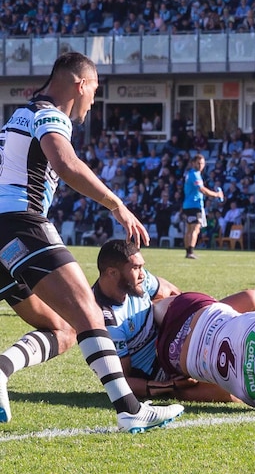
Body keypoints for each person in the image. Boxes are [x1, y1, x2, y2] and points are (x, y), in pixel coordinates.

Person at [0, 52, 183, 431]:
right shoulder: (50, 114)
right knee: (88, 312)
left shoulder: (19, 116)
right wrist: (116, 204)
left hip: (5, 233)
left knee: (63, 330)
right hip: (21, 222)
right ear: (80, 84)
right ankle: (130, 409)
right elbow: (66, 163)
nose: (94, 101)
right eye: (95, 90)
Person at [88, 239, 255, 400]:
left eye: (142, 267)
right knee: (233, 394)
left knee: (253, 298)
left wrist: (202, 317)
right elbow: (119, 379)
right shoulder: (104, 320)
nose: (142, 274)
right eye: (136, 268)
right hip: (166, 368)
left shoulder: (138, 281)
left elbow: (170, 291)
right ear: (112, 273)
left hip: (177, 327)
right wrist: (162, 387)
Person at [182, 154, 223, 259]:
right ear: (193, 163)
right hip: (195, 206)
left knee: (189, 229)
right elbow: (202, 189)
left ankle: (188, 251)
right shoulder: (195, 174)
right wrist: (216, 194)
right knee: (195, 229)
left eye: (202, 163)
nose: (201, 165)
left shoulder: (190, 174)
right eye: (199, 163)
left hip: (187, 205)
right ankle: (190, 252)